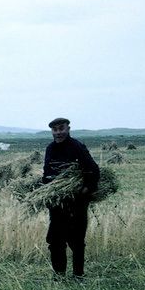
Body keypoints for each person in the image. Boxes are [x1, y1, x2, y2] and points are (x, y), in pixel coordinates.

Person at [42, 118, 100, 281]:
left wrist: (84, 191)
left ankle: (78, 275)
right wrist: (46, 191)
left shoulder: (77, 147)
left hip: (76, 202)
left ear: (68, 129)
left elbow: (93, 171)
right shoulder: (50, 148)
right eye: (55, 130)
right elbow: (46, 173)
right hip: (57, 202)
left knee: (76, 240)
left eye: (61, 129)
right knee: (55, 240)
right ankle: (59, 275)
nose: (58, 132)